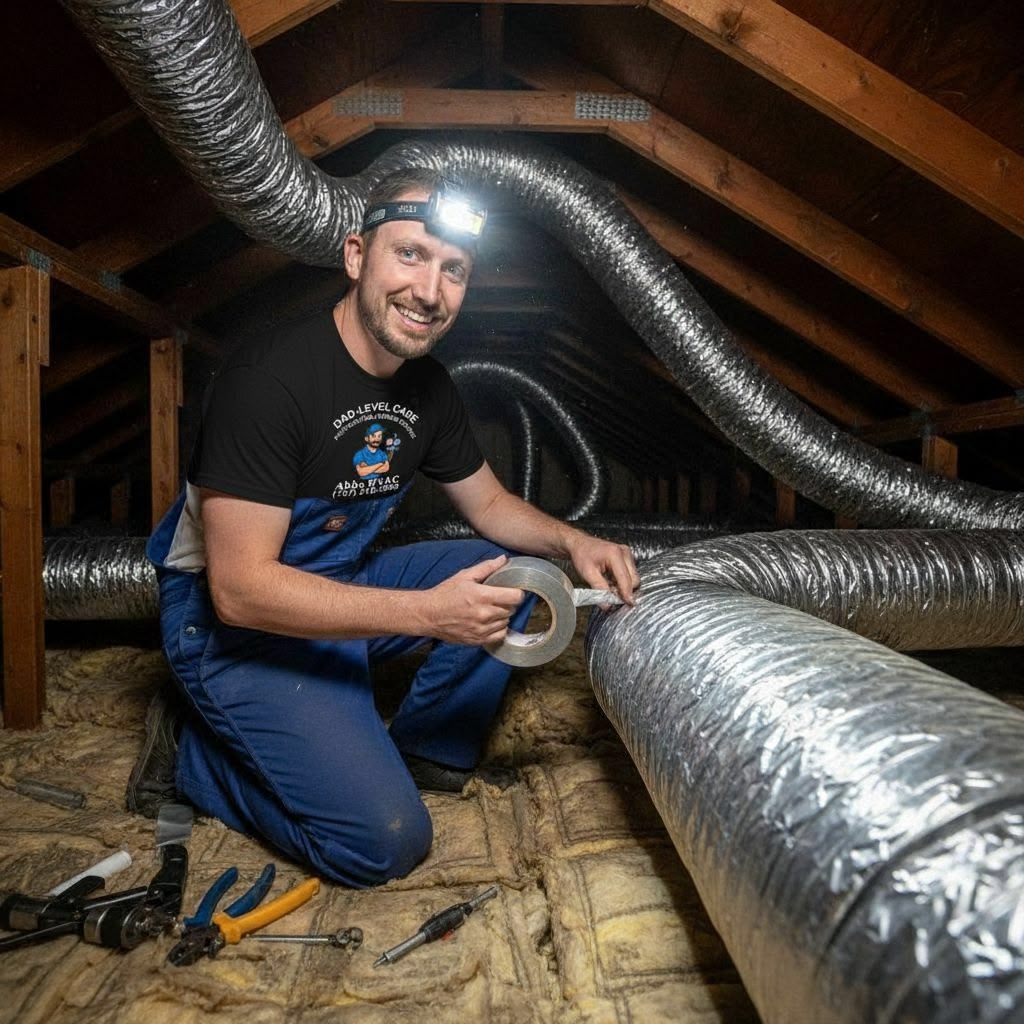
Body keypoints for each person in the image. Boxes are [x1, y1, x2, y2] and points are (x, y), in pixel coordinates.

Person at [131, 167, 639, 888]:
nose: (430, 291)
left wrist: (572, 542)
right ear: (355, 256)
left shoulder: (426, 387)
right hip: (229, 628)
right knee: (383, 843)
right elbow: (240, 592)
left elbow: (491, 508)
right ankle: (194, 757)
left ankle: (422, 749)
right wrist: (430, 615)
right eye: (409, 255)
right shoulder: (270, 378)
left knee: (519, 575)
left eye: (453, 269)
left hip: (331, 591)